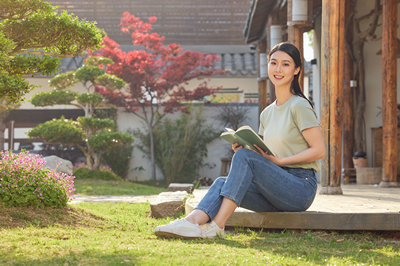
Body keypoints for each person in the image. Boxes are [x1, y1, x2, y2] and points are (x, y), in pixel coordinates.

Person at [154, 42, 326, 239]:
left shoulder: (299, 106)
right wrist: (244, 148)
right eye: (274, 63)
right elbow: (262, 156)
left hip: (299, 187)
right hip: (274, 187)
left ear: (296, 70)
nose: (278, 69)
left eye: (286, 64)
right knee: (221, 183)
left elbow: (319, 150)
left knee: (244, 159)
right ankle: (190, 223)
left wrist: (280, 162)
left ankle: (217, 227)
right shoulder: (267, 113)